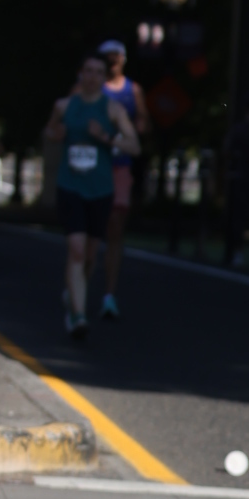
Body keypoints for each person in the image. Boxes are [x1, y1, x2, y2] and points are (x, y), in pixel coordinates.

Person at [43, 56, 140, 338]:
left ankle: (74, 293)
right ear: (80, 74)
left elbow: (134, 146)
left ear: (103, 78)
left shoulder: (112, 110)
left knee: (89, 254)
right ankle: (78, 315)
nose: (93, 77)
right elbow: (49, 130)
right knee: (76, 248)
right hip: (70, 186)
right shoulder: (64, 106)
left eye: (99, 72)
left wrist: (107, 138)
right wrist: (56, 133)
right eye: (88, 71)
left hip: (100, 190)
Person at [98, 40, 149, 319]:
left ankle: (109, 293)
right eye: (107, 57)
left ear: (123, 60)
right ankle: (78, 282)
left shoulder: (133, 90)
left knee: (116, 226)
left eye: (116, 57)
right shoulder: (91, 87)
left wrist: (133, 129)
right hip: (95, 167)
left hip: (120, 166)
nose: (112, 62)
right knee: (92, 231)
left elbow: (143, 122)